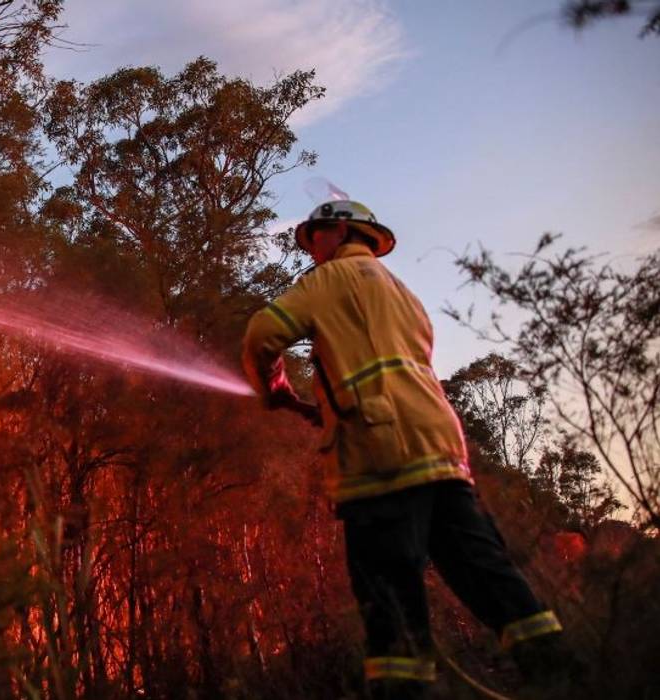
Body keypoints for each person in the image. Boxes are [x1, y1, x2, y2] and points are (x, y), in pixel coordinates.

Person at [241, 200, 570, 699]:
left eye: (315, 239)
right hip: (440, 449)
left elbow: (263, 334)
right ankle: (567, 675)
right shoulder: (403, 293)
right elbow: (378, 368)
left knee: (390, 603)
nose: (312, 253)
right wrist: (326, 405)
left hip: (381, 459)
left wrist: (276, 391)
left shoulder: (329, 281)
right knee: (488, 575)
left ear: (341, 231)